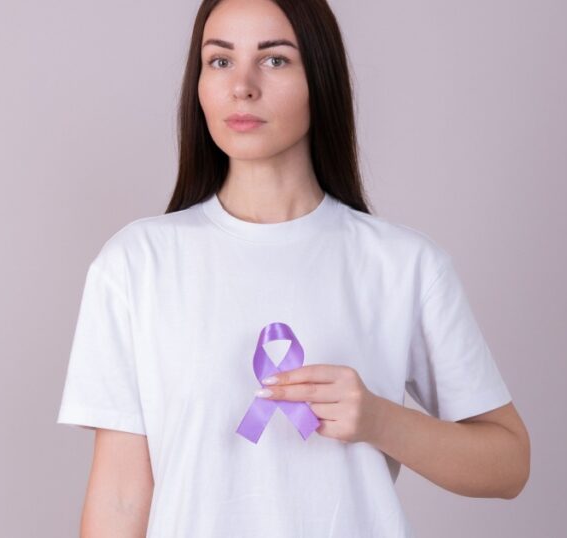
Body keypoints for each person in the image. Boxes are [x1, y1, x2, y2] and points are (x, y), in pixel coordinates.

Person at [56, 0, 530, 535]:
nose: (243, 86)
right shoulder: (135, 265)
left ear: (319, 79)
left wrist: (380, 420)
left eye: (275, 60)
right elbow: (119, 497)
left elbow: (509, 464)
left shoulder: (404, 266)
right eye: (219, 61)